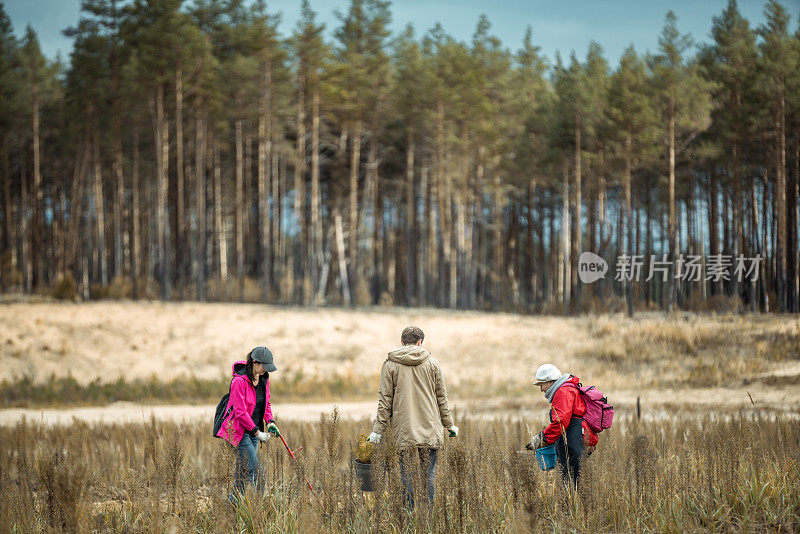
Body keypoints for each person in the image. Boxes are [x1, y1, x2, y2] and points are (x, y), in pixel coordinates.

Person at [367, 326, 458, 508]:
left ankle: (408, 518)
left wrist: (377, 432)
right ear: (420, 342)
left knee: (406, 476)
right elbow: (442, 398)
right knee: (428, 477)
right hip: (429, 430)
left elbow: (385, 401)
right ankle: (428, 518)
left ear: (402, 342)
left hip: (404, 431)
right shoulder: (433, 364)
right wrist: (449, 425)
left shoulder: (390, 365)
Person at [216, 346, 281, 503]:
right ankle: (259, 512)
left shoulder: (264, 379)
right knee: (257, 474)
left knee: (242, 476)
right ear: (255, 363)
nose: (267, 370)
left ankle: (231, 509)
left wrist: (270, 422)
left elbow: (266, 405)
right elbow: (240, 412)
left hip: (253, 432)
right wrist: (258, 433)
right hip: (238, 432)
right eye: (265, 366)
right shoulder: (239, 381)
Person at [526, 363, 596, 488]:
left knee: (572, 480)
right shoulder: (567, 389)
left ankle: (571, 506)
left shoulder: (563, 392)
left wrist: (541, 438)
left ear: (550, 381)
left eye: (541, 384)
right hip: (576, 438)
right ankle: (573, 505)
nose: (541, 389)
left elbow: (560, 421)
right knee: (574, 478)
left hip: (574, 441)